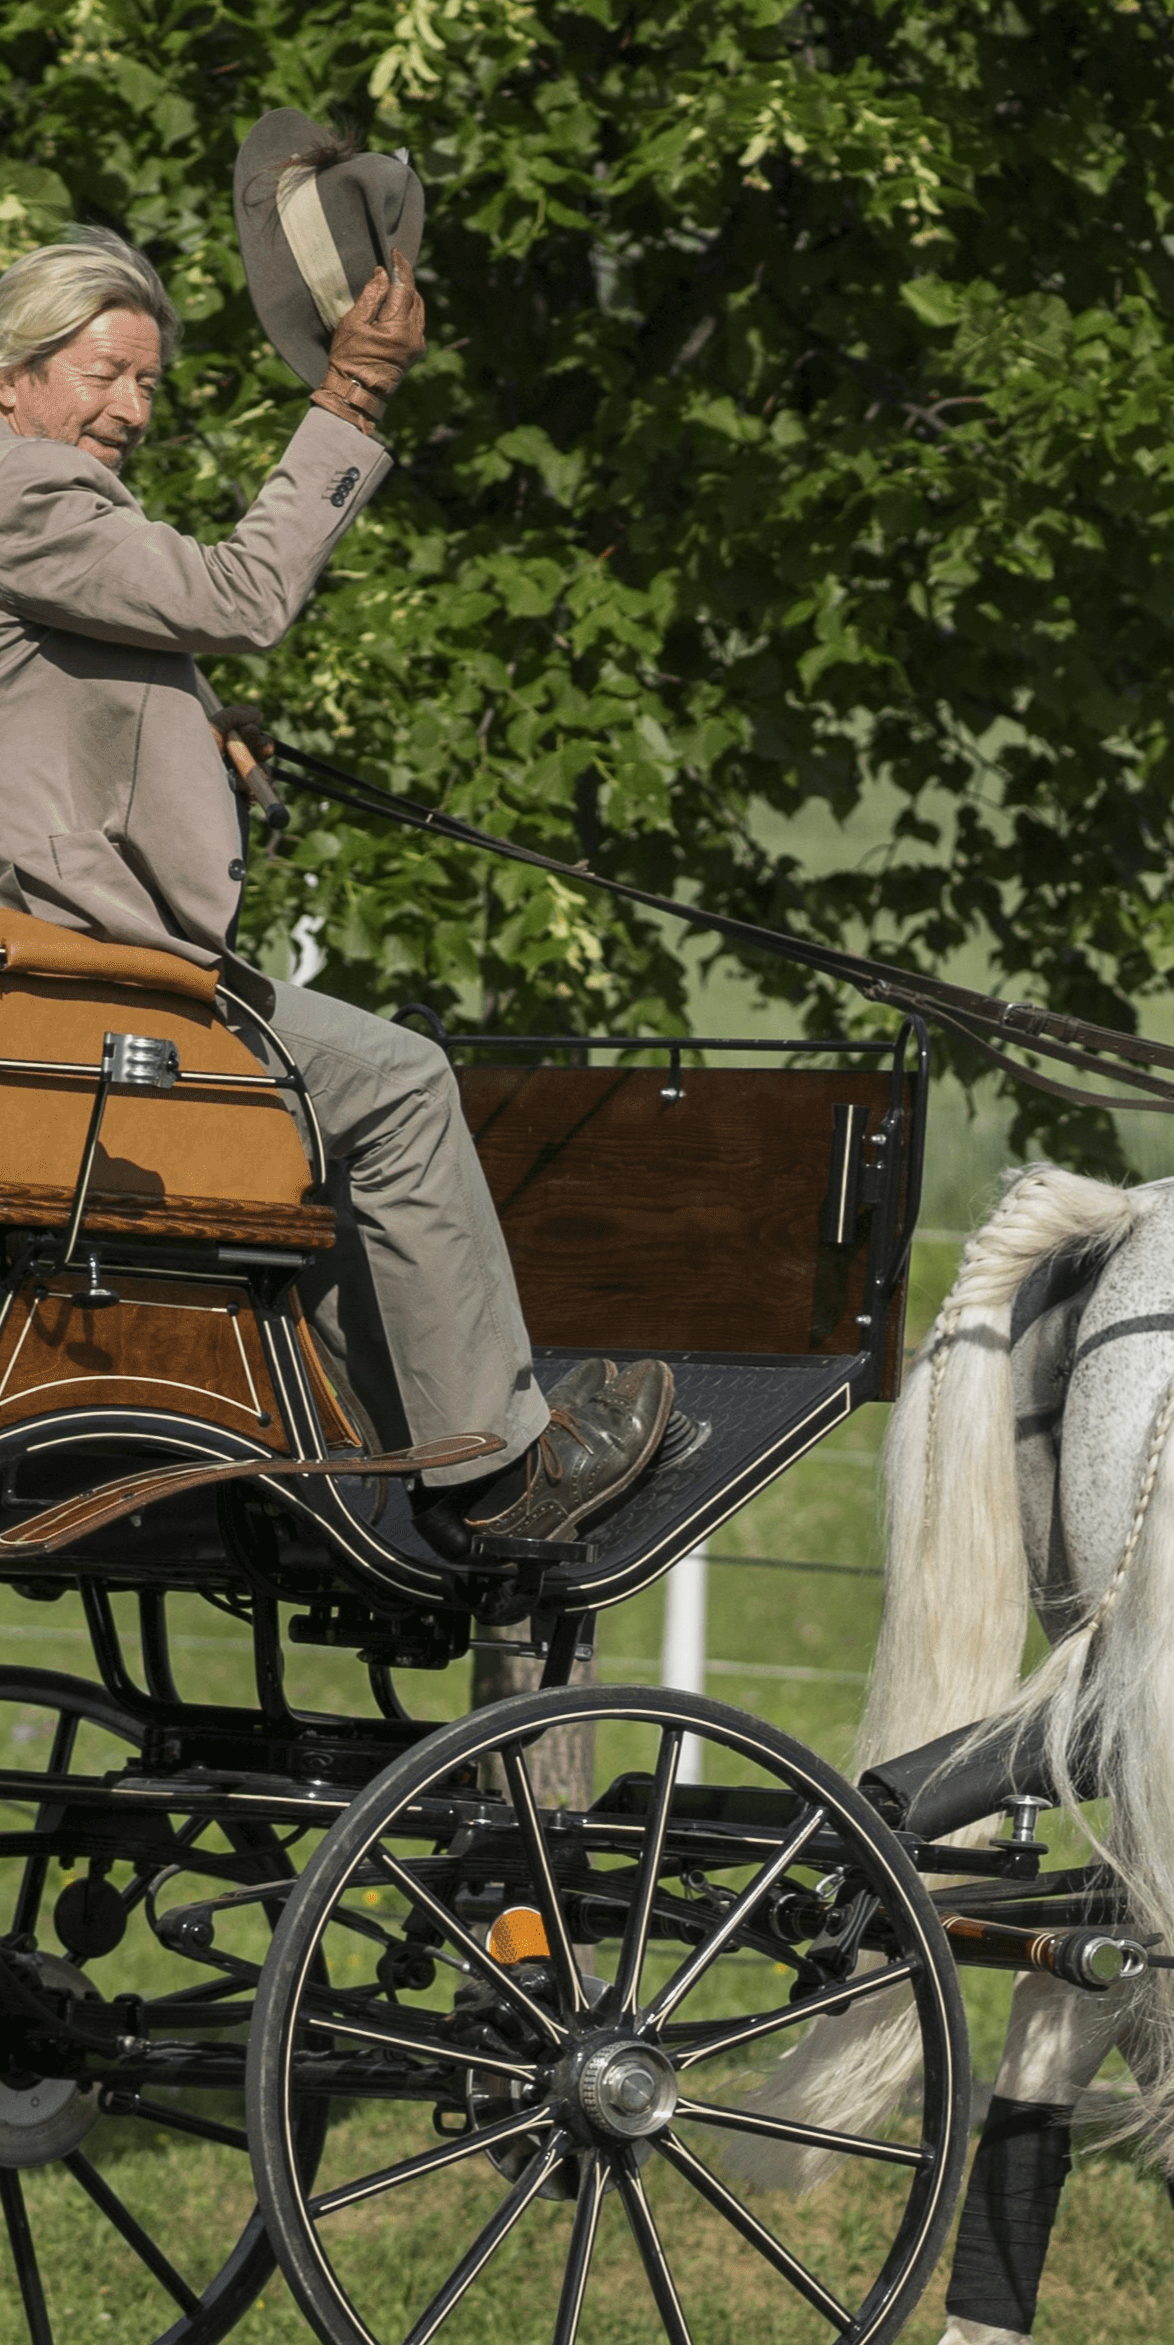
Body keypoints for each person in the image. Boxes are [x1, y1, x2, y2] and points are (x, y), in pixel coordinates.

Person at [0, 222, 671, 1555]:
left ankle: (390, 1416)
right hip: (87, 995)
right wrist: (352, 397)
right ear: (11, 375)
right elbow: (243, 594)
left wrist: (188, 726)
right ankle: (490, 1475)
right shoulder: (25, 494)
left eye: (146, 380)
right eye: (103, 372)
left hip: (70, 984)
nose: (131, 406)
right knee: (399, 1078)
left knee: (352, 1096)